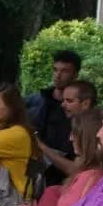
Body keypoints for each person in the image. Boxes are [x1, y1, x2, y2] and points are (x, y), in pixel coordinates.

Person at [27, 50, 82, 186]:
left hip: (55, 172)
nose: (58, 75)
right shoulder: (39, 99)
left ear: (75, 75)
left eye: (64, 71)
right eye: (55, 70)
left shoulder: (78, 112)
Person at [37, 79, 98, 179]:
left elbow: (75, 170)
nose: (62, 105)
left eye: (69, 101)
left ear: (86, 103)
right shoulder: (70, 122)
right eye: (63, 100)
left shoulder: (91, 129)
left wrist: (41, 146)